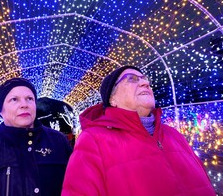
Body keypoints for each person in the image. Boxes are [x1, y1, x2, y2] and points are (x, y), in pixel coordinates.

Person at [62, 66, 216, 196]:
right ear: (112, 99)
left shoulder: (173, 134)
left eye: (144, 79)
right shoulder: (94, 139)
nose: (145, 83)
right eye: (132, 79)